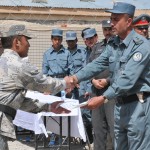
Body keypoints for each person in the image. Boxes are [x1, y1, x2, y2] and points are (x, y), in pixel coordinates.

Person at [68, 2, 150, 150]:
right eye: (111, 19)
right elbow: (97, 64)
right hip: (119, 105)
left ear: (129, 21)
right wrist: (75, 78)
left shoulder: (141, 46)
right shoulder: (113, 44)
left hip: (138, 105)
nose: (112, 23)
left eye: (116, 19)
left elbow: (128, 79)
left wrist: (103, 98)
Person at [0, 24, 72, 150]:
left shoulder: (3, 60)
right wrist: (66, 82)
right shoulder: (18, 65)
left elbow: (16, 101)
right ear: (17, 42)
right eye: (26, 40)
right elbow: (45, 84)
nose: (29, 44)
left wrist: (48, 106)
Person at [89, 20, 115, 150]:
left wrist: (108, 80)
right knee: (98, 127)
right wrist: (93, 80)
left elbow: (122, 71)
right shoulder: (97, 47)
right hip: (96, 91)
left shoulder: (119, 46)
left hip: (112, 92)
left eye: (110, 29)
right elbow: (90, 67)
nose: (108, 32)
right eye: (105, 29)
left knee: (113, 128)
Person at [42, 28, 74, 96]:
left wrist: (69, 85)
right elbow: (45, 72)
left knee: (64, 105)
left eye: (59, 39)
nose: (57, 41)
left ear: (62, 40)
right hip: (52, 83)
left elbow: (71, 70)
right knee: (51, 105)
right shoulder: (47, 54)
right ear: (51, 39)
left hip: (64, 83)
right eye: (55, 39)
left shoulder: (67, 53)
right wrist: (45, 88)